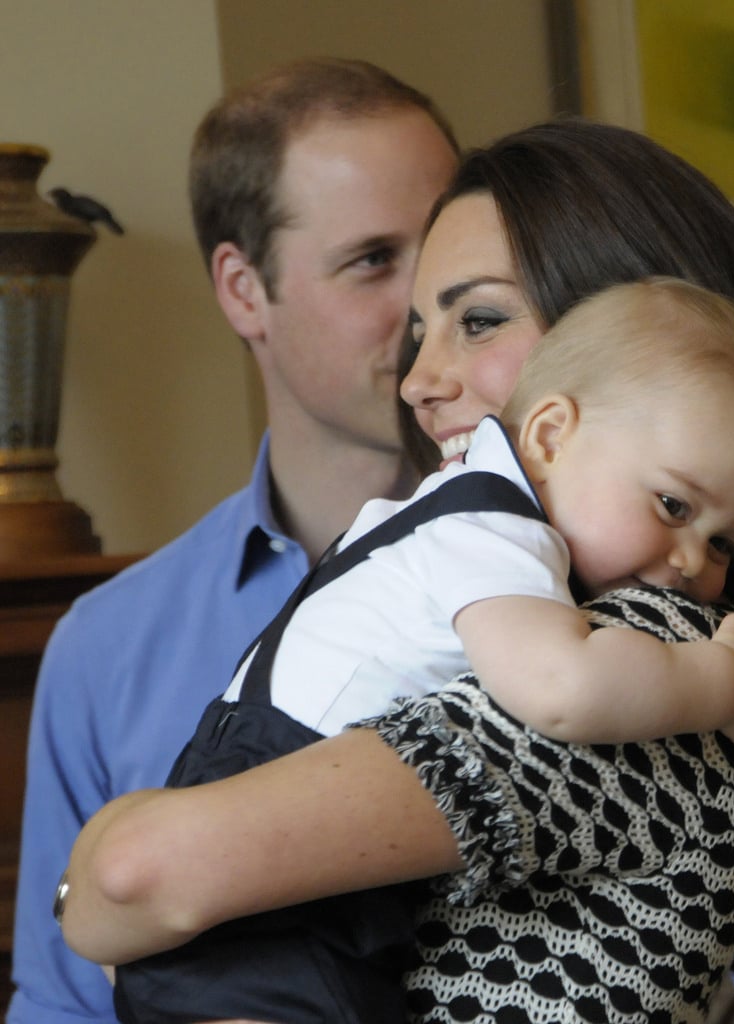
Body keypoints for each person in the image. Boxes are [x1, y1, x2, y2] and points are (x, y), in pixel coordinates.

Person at [59, 122, 734, 1024]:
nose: (417, 380)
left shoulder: (660, 665)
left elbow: (138, 874)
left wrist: (94, 881)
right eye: (421, 326)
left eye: (478, 318)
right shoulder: (534, 593)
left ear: (640, 335)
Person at [111, 278, 734, 1022]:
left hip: (260, 824)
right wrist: (719, 683)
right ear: (550, 436)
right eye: (673, 505)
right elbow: (563, 688)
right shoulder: (493, 530)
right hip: (278, 824)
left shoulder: (456, 514)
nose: (693, 562)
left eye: (724, 541)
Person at [7, 57, 459, 1024]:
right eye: (374, 260)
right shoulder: (106, 648)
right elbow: (60, 1008)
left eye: (449, 245)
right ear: (244, 291)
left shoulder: (600, 567)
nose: (432, 308)